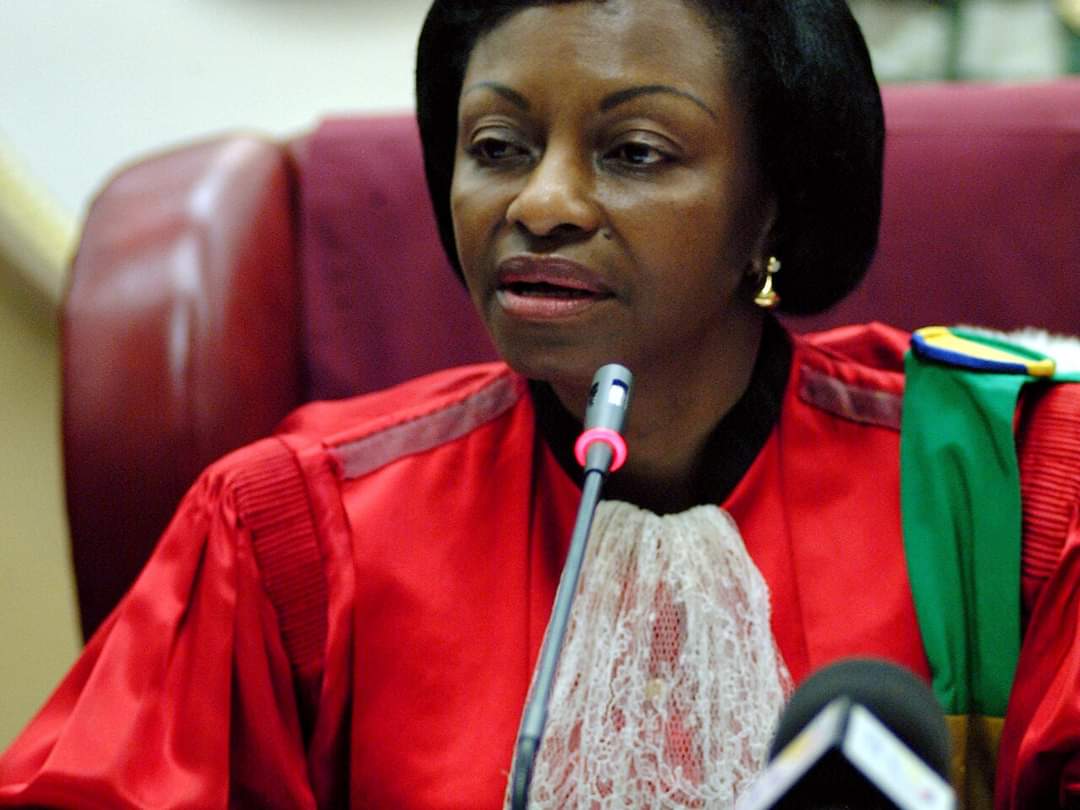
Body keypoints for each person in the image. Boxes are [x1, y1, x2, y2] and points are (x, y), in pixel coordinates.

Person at [2, 0, 1078, 807]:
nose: (542, 201)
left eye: (635, 152)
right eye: (497, 149)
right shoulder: (296, 531)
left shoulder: (1008, 486)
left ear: (773, 206)